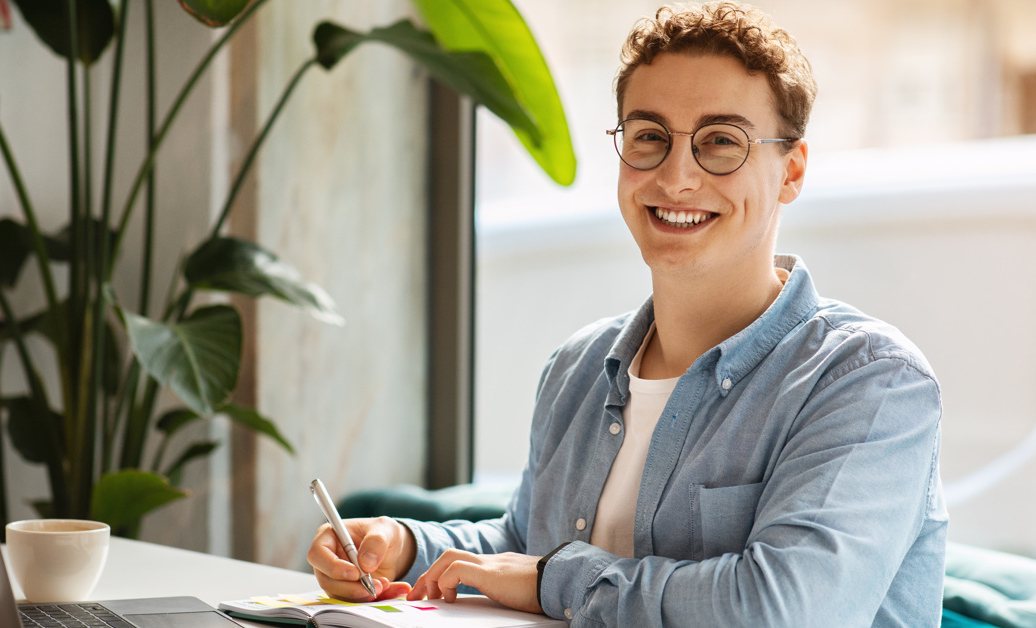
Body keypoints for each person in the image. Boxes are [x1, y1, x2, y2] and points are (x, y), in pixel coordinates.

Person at [308, 2, 947, 625]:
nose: (676, 177)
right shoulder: (578, 366)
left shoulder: (870, 382)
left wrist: (551, 580)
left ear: (791, 171)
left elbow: (786, 611)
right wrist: (404, 546)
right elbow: (525, 545)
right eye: (649, 137)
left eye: (720, 142)